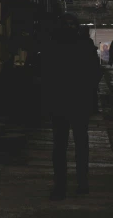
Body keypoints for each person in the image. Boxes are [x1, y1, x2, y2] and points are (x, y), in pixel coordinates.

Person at [43, 13, 102, 200]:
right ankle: (80, 183)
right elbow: (95, 73)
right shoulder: (84, 45)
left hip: (62, 101)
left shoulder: (53, 45)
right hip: (77, 101)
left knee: (61, 146)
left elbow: (45, 73)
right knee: (78, 145)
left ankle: (62, 185)